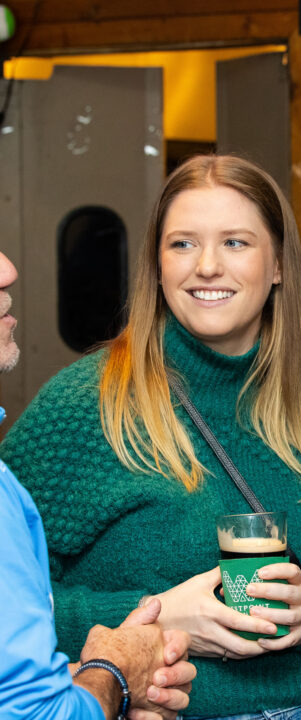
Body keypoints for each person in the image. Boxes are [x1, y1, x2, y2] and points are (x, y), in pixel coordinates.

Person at [0, 155, 301, 720]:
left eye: (235, 243)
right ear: (156, 265)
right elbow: (15, 608)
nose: (206, 266)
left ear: (277, 264)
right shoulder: (83, 408)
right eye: (182, 244)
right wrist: (156, 618)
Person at [0, 250, 197, 719]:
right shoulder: (79, 404)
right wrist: (117, 669)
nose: (9, 269)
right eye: (183, 244)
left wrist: (77, 680)